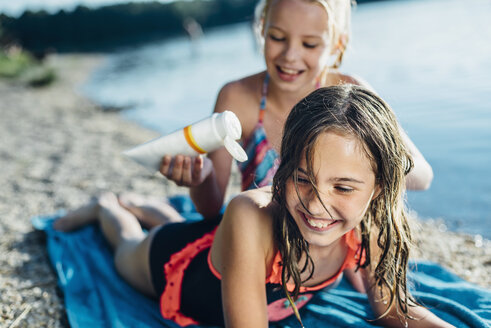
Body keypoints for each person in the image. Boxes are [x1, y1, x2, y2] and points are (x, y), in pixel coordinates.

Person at [54, 85, 452, 328]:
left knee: (197, 231)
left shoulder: (371, 224)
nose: (317, 204)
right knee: (126, 243)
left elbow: (394, 311)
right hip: (172, 265)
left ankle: (149, 207)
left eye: (343, 188)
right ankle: (110, 205)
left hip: (225, 250)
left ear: (378, 189)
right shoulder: (249, 212)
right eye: (302, 179)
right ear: (284, 169)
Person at [128, 0, 433, 224]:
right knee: (168, 237)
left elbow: (422, 174)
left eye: (310, 44)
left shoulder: (351, 93)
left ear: (337, 44)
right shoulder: (237, 97)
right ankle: (116, 210)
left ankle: (132, 208)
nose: (290, 56)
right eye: (277, 38)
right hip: (259, 243)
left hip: (330, 244)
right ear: (261, 30)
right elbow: (210, 210)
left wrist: (360, 170)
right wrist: (200, 177)